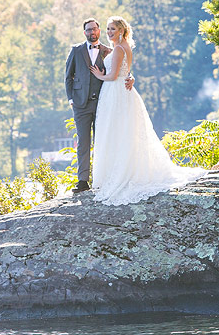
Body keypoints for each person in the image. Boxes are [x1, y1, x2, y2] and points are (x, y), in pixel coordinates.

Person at [85, 16, 205, 205]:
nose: (109, 33)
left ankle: (120, 173)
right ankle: (124, 169)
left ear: (122, 31)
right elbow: (126, 72)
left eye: (112, 29)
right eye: (108, 29)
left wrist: (100, 75)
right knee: (123, 133)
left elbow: (114, 75)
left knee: (115, 132)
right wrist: (128, 77)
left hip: (115, 92)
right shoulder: (125, 47)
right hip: (123, 93)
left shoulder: (117, 48)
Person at [64, 18, 132, 192]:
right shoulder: (76, 51)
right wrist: (71, 99)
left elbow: (121, 70)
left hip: (103, 103)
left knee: (103, 141)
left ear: (99, 31)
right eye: (88, 30)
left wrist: (132, 78)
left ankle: (104, 177)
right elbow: (68, 77)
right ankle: (82, 181)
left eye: (94, 29)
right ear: (84, 32)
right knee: (83, 142)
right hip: (80, 104)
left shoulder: (109, 51)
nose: (92, 32)